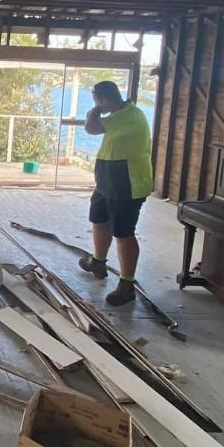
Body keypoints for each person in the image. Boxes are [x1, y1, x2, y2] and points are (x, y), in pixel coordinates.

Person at [80, 80, 152, 306]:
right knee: (99, 221)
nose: (95, 104)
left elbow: (91, 128)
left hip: (127, 184)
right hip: (108, 183)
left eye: (96, 100)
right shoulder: (118, 115)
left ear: (102, 99)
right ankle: (98, 262)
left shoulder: (130, 115)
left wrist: (94, 111)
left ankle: (126, 285)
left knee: (123, 233)